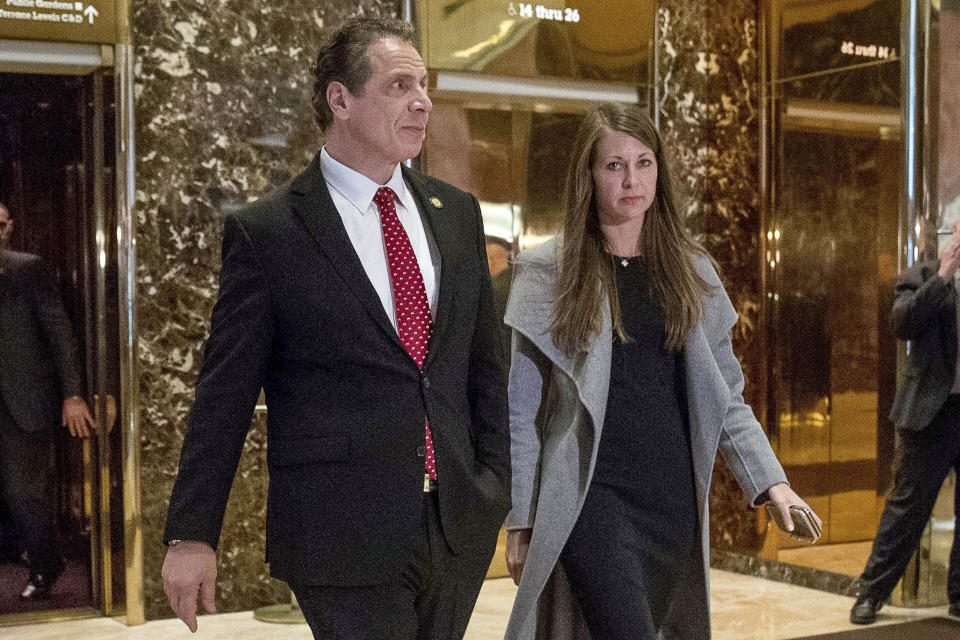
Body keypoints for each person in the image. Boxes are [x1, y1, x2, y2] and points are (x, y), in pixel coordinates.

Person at [161, 17, 511, 639]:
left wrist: (494, 487)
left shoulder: (455, 215)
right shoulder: (270, 234)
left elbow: (484, 370)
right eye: (400, 85)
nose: (423, 102)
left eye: (424, 85)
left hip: (456, 523)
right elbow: (224, 396)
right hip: (339, 531)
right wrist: (192, 534)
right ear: (340, 100)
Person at [501, 103, 818, 639]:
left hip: (670, 498)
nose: (631, 180)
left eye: (644, 163)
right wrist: (522, 519)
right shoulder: (548, 272)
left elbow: (727, 395)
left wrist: (771, 482)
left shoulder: (691, 270)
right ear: (588, 176)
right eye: (614, 166)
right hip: (589, 497)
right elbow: (523, 411)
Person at [849, 220, 960, 624]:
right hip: (933, 413)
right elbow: (903, 324)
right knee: (907, 509)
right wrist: (945, 274)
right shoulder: (922, 276)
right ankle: (871, 592)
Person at [0, 201, 95, 599]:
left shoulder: (26, 269)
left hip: (21, 402)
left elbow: (59, 333)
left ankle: (46, 562)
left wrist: (73, 393)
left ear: (8, 228)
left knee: (24, 492)